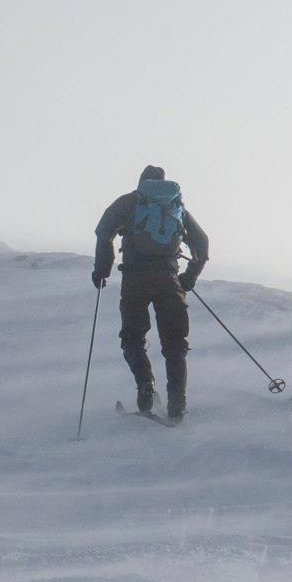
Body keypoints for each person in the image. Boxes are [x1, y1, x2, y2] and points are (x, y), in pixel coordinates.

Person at [92, 165, 209, 422]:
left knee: (133, 338)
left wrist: (102, 270)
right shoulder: (175, 206)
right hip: (169, 281)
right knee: (175, 346)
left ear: (141, 182)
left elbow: (103, 232)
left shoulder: (129, 202)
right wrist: (188, 278)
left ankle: (146, 387)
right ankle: (177, 407)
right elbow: (202, 243)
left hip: (135, 279)